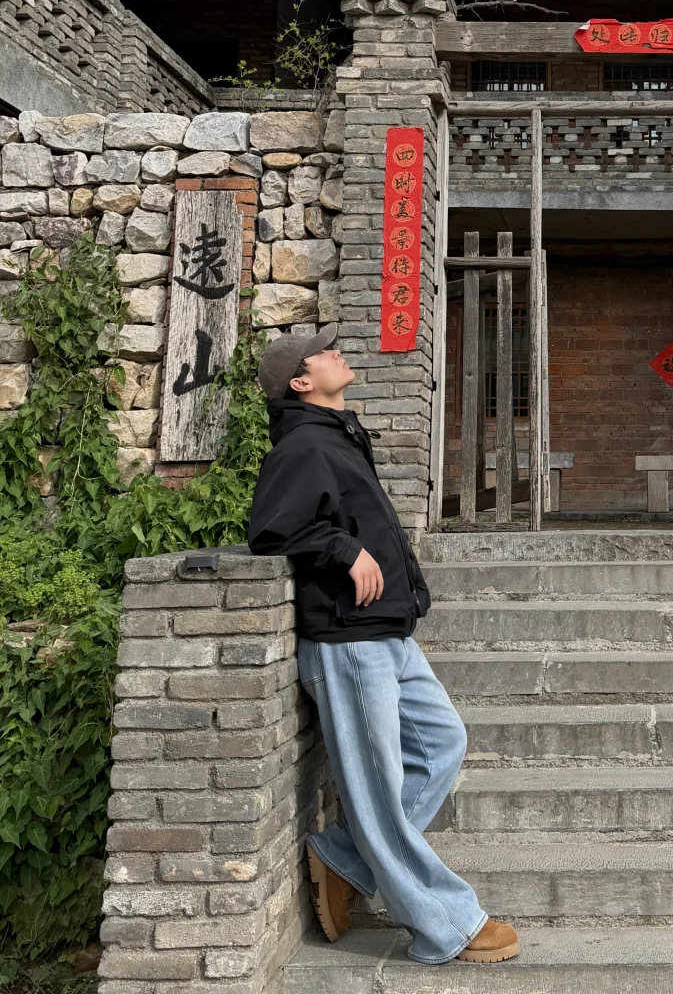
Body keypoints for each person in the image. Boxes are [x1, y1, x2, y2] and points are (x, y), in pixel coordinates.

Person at [246, 324, 519, 967]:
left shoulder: (336, 436)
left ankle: (343, 857)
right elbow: (272, 529)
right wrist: (344, 550)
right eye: (323, 352)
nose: (337, 352)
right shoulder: (302, 445)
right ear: (301, 381)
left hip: (384, 630)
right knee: (377, 790)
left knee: (442, 743)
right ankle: (445, 923)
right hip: (347, 639)